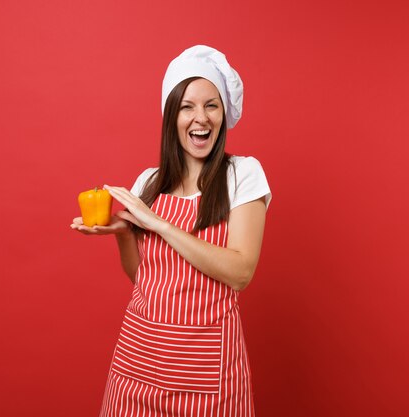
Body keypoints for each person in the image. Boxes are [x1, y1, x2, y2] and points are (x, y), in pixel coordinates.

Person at [71, 45, 272, 417]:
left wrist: (159, 224)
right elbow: (143, 277)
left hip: (207, 377)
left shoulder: (242, 175)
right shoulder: (149, 182)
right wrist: (124, 233)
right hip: (136, 369)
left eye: (211, 105)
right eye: (187, 106)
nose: (201, 118)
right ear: (171, 116)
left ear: (224, 113)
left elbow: (240, 272)